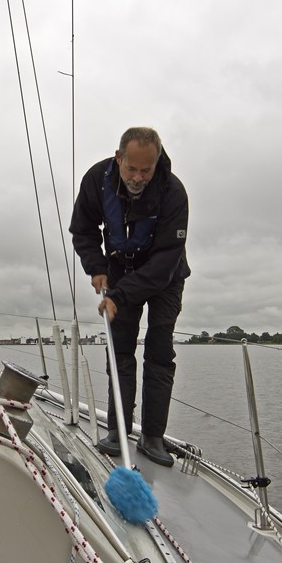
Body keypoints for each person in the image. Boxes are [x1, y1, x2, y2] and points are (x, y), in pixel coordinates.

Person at [69, 126, 190, 467]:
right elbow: (83, 229)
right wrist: (96, 267)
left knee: (159, 349)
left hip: (165, 276)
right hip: (121, 267)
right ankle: (117, 430)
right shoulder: (96, 180)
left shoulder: (174, 192)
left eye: (146, 170)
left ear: (156, 165)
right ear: (119, 158)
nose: (138, 177)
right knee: (119, 348)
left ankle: (152, 436)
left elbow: (166, 259)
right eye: (132, 169)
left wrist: (119, 296)